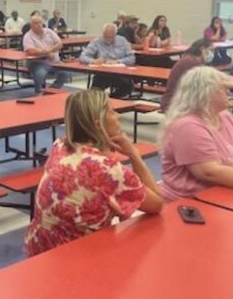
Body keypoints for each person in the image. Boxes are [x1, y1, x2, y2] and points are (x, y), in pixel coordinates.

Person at [24, 89, 163, 256]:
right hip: (76, 258)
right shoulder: (107, 170)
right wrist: (133, 154)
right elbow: (157, 204)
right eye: (112, 112)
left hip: (39, 249)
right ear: (98, 124)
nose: (118, 117)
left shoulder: (60, 145)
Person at [160, 66, 233, 201]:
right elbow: (211, 172)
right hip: (199, 201)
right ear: (207, 93)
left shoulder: (226, 116)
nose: (228, 92)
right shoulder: (187, 126)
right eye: (223, 89)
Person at [79, 23, 136, 98]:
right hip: (103, 74)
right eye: (106, 36)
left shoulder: (122, 41)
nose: (108, 39)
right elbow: (83, 56)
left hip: (120, 73)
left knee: (129, 85)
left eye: (111, 37)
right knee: (95, 91)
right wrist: (93, 61)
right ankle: (94, 101)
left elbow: (132, 58)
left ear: (115, 34)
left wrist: (118, 61)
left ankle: (112, 99)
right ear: (102, 33)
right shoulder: (96, 42)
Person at [161, 39, 213, 112]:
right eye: (210, 50)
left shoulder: (189, 59)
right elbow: (211, 80)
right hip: (174, 103)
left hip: (177, 100)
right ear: (203, 49)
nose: (212, 54)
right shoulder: (192, 63)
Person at [23, 15, 70, 94]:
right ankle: (38, 92)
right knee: (40, 75)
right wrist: (45, 53)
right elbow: (30, 51)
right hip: (37, 62)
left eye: (40, 22)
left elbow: (60, 44)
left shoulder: (49, 32)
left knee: (67, 72)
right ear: (31, 25)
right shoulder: (28, 36)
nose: (39, 24)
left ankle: (50, 90)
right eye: (36, 23)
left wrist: (50, 50)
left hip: (54, 62)